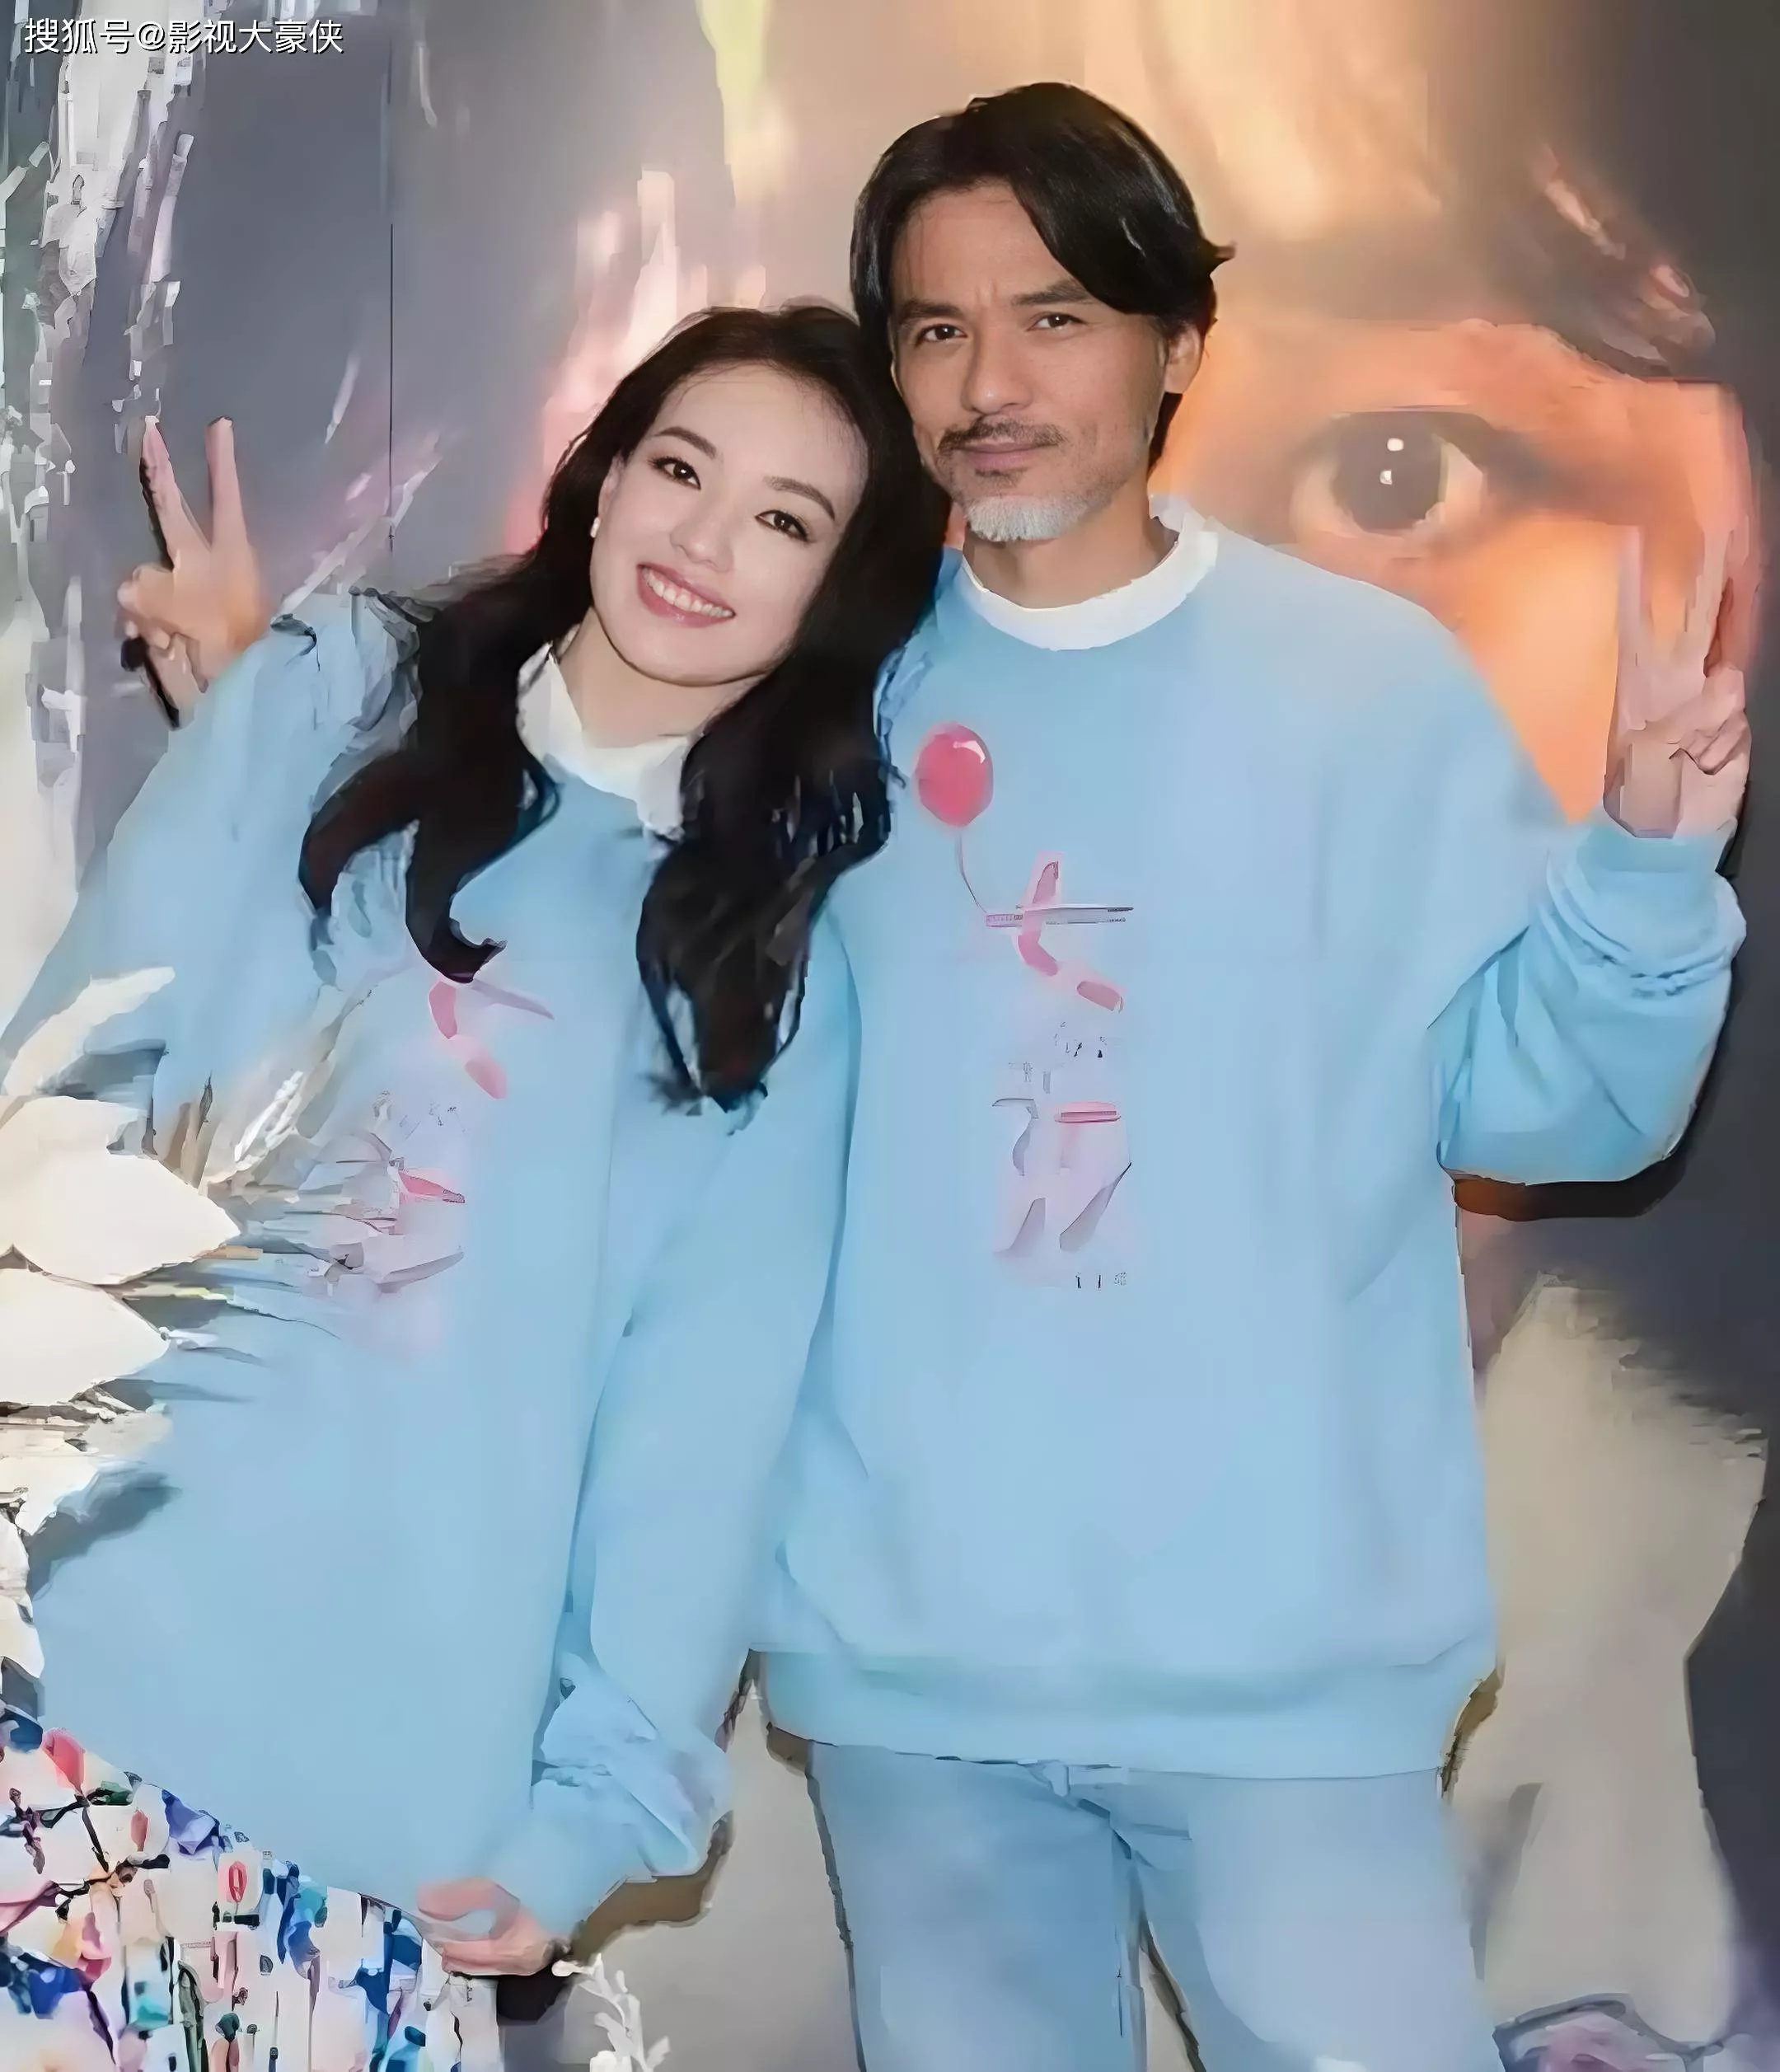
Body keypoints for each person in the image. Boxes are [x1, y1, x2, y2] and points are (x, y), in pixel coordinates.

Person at [738, 85, 1743, 2072]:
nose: (991, 383)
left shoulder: (1363, 686)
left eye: (1053, 318)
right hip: (913, 1672)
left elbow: (1547, 1110)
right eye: (937, 331)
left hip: (1287, 1675)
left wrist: (1637, 869)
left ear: (1177, 340)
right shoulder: (818, 714)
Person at [0, 302, 943, 2072]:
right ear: (603, 476)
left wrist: (594, 1808)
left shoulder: (764, 977)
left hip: (380, 1793)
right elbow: (73, 1083)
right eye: (681, 468)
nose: (704, 539)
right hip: (71, 1670)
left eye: (783, 519)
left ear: (837, 595)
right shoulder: (325, 690)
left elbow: (697, 1431)